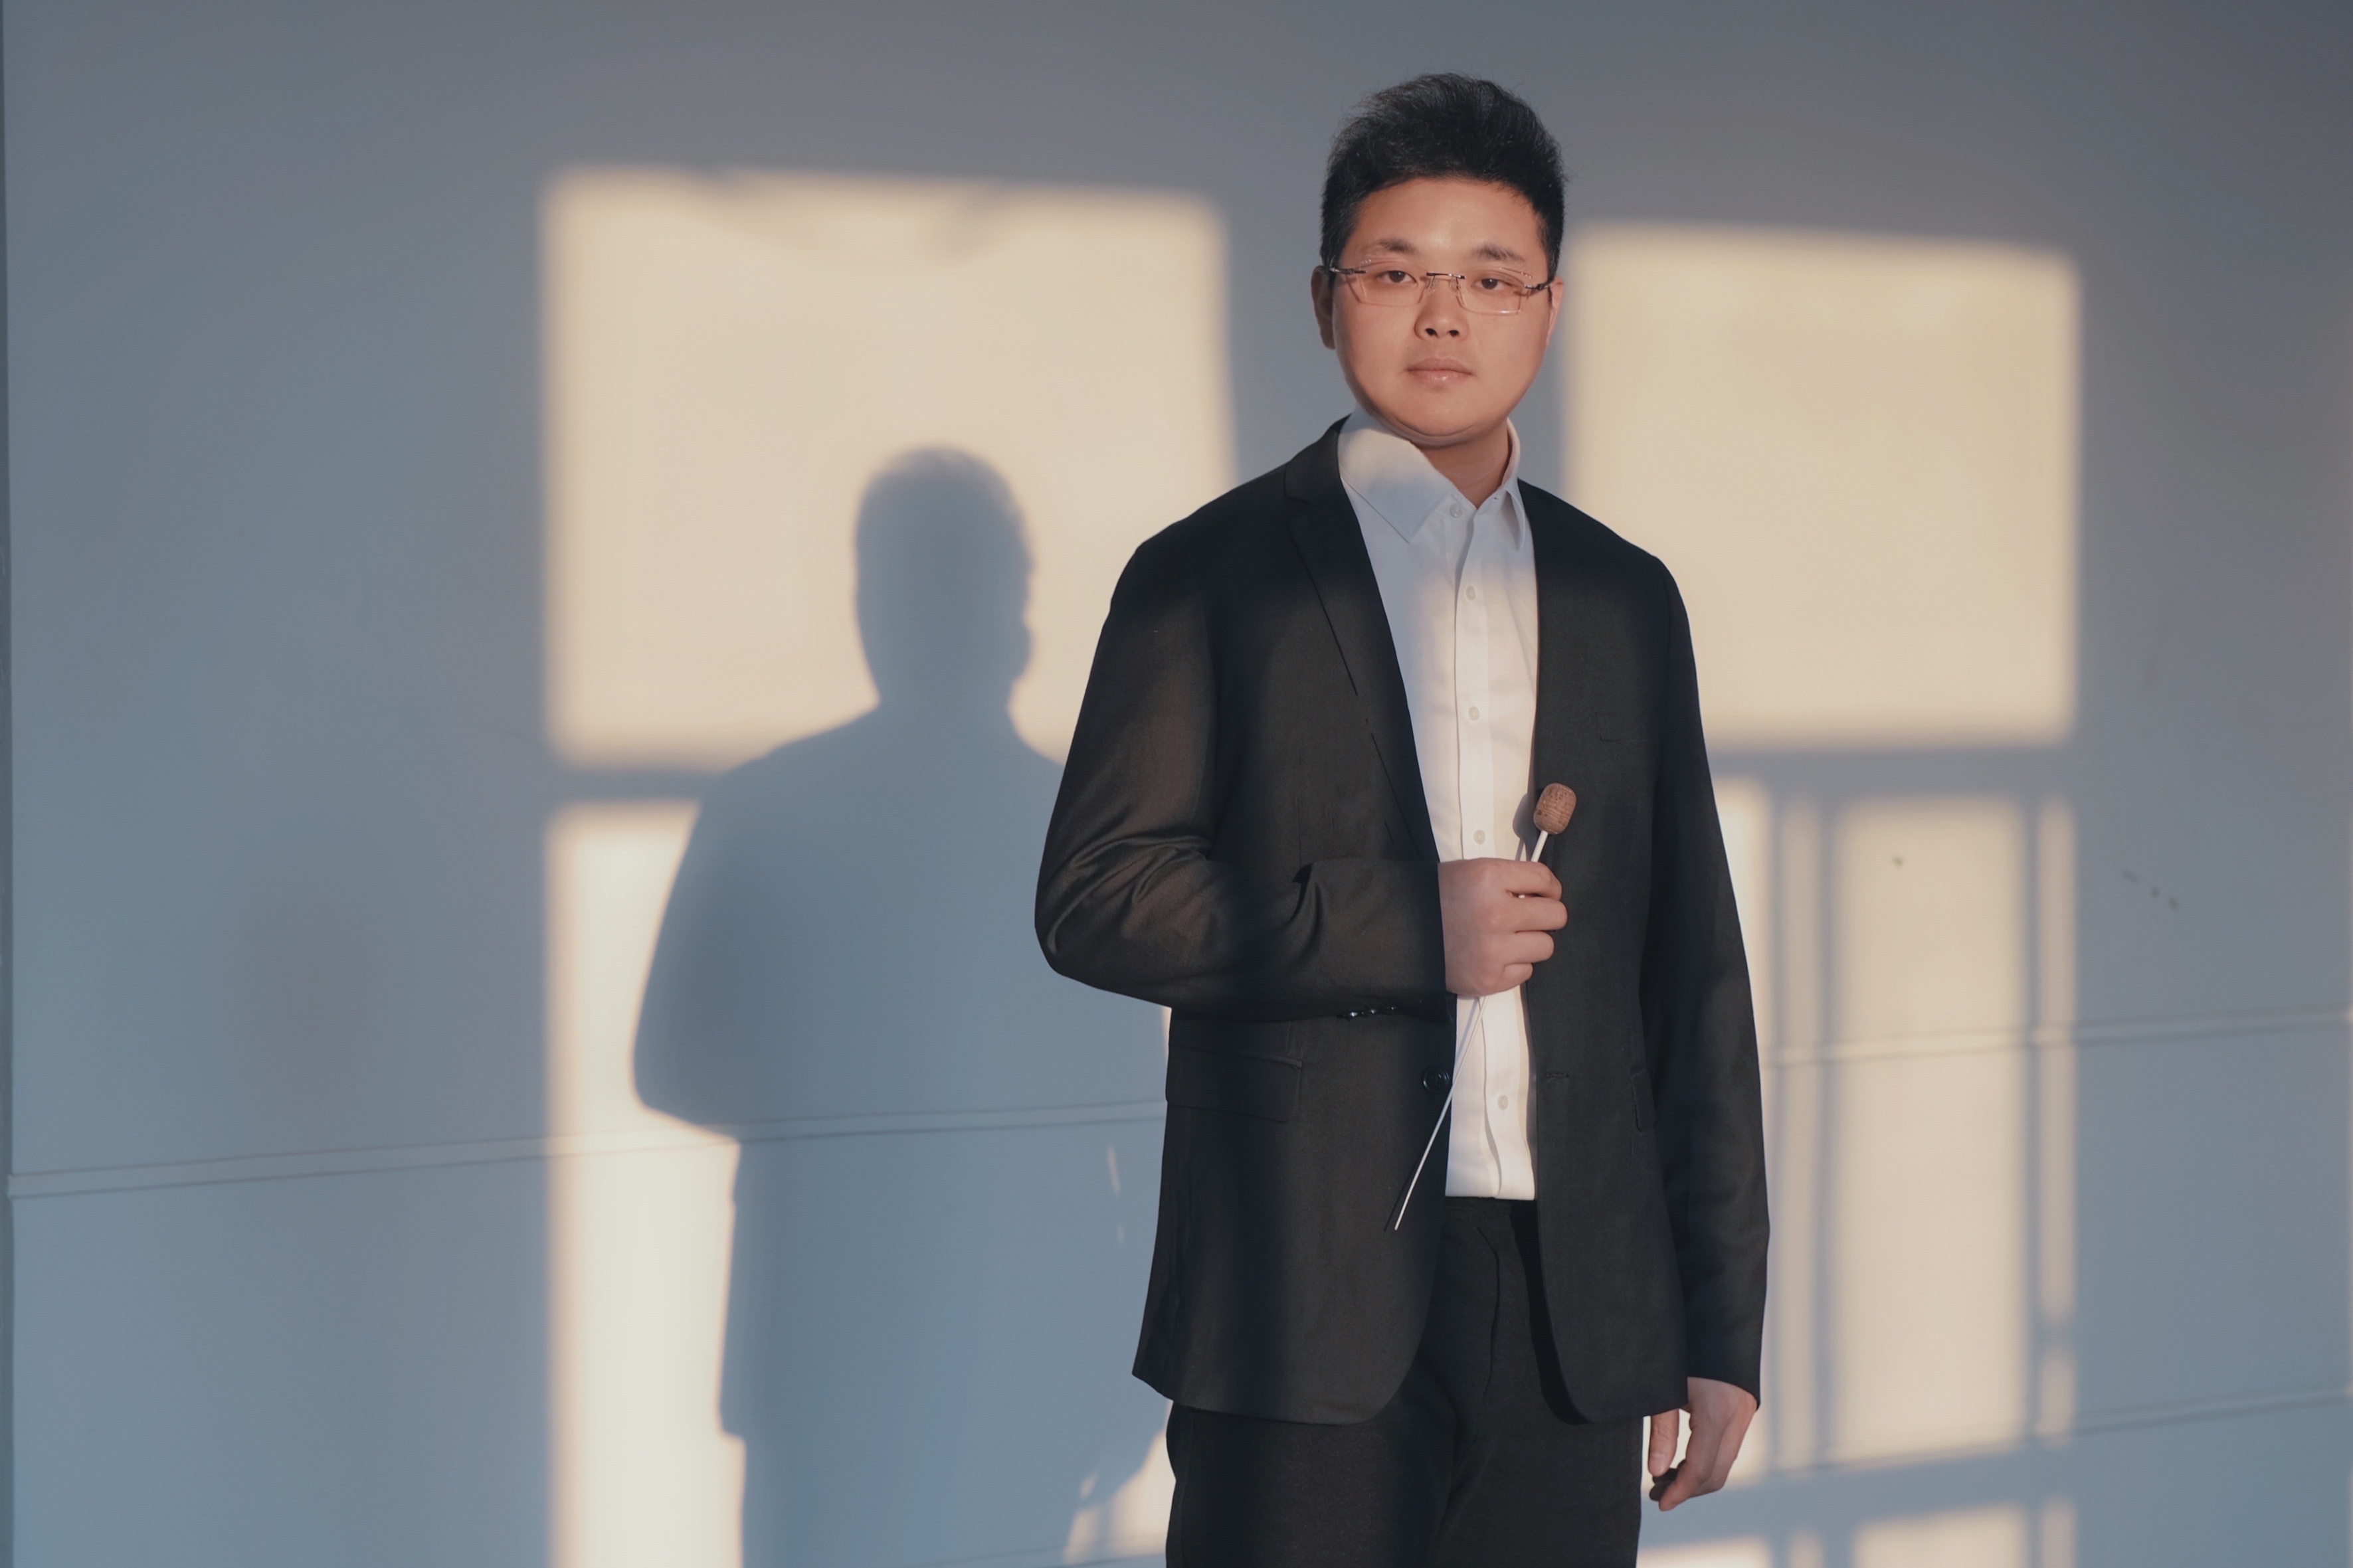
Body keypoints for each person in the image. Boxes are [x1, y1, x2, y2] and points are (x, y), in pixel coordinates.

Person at [1036, 74, 1768, 1565]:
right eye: (1395, 272)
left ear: (1549, 308)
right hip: (1295, 1291)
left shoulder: (1623, 594)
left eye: (1491, 278)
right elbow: (1097, 894)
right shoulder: (1205, 573)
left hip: (1573, 1304)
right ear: (1326, 299)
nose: (1444, 316)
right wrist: (1402, 924)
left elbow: (1691, 972)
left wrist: (1716, 1319)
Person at [637, 451, 1168, 1567]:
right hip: (971, 1337)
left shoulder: (776, 803)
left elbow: (671, 1060)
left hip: (854, 1327)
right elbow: (1136, 1119)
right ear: (1013, 621)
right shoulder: (1073, 828)